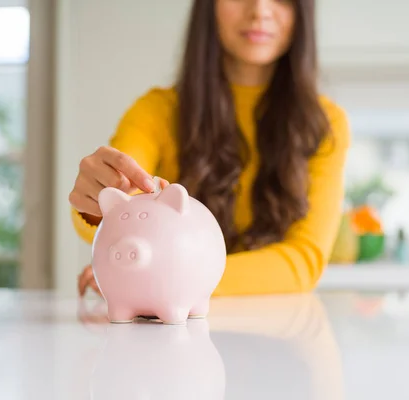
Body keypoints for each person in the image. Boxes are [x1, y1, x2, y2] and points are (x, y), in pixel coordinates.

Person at [70, 0, 350, 297]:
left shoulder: (325, 124)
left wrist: (168, 277)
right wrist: (99, 203)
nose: (259, 11)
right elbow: (122, 202)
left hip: (279, 332)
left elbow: (303, 261)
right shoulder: (155, 113)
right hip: (169, 333)